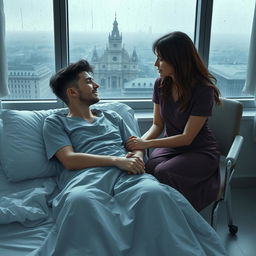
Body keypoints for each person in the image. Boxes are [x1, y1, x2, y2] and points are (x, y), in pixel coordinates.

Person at [41, 59, 226, 256]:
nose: (96, 85)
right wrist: (117, 160)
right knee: (80, 201)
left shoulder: (112, 116)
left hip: (127, 173)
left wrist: (136, 158)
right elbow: (69, 159)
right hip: (86, 177)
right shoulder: (55, 122)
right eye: (89, 81)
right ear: (72, 92)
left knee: (154, 192)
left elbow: (135, 145)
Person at [126, 31, 221, 212]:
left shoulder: (203, 90)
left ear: (178, 60)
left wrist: (145, 144)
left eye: (161, 59)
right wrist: (139, 146)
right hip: (171, 146)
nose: (155, 64)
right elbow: (158, 124)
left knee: (164, 172)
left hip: (199, 149)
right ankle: (159, 213)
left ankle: (178, 216)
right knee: (150, 166)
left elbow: (187, 138)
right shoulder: (160, 84)